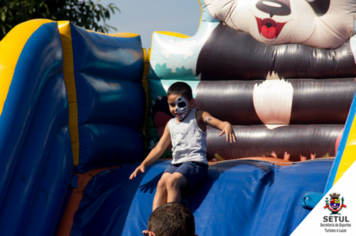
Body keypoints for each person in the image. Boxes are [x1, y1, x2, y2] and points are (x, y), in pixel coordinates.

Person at [129, 82, 235, 212]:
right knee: (161, 183)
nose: (176, 109)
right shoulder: (171, 124)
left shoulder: (198, 115)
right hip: (176, 164)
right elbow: (159, 148)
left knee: (172, 181)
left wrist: (226, 125)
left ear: (191, 103)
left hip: (195, 164)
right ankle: (154, 225)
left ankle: (171, 220)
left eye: (181, 104)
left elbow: (216, 122)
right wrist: (144, 164)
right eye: (172, 105)